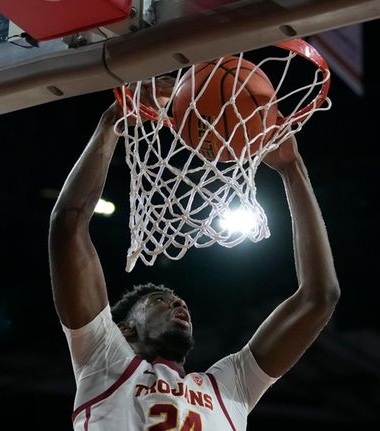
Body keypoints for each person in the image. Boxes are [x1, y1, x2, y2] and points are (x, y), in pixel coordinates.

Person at [48, 80, 340, 430]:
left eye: (175, 299)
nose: (179, 304)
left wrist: (293, 169)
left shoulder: (228, 389)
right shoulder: (104, 358)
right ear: (125, 329)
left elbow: (319, 297)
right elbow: (68, 226)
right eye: (160, 299)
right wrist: (114, 121)